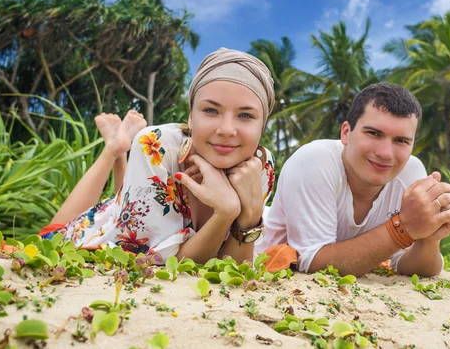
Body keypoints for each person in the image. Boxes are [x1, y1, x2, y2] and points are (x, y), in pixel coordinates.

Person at [40, 48, 276, 264]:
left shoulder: (259, 166)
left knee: (121, 202)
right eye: (211, 110)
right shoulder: (156, 144)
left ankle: (117, 149)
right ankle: (113, 149)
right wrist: (226, 212)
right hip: (98, 231)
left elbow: (233, 266)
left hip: (133, 212)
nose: (226, 130)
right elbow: (166, 263)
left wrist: (251, 216)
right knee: (51, 232)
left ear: (262, 126)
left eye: (245, 116)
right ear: (191, 117)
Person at [256, 83, 450, 277]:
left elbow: (408, 265)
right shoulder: (315, 160)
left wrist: (429, 239)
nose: (386, 153)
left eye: (401, 141)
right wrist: (404, 227)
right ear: (346, 132)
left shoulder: (411, 172)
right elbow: (312, 262)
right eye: (373, 133)